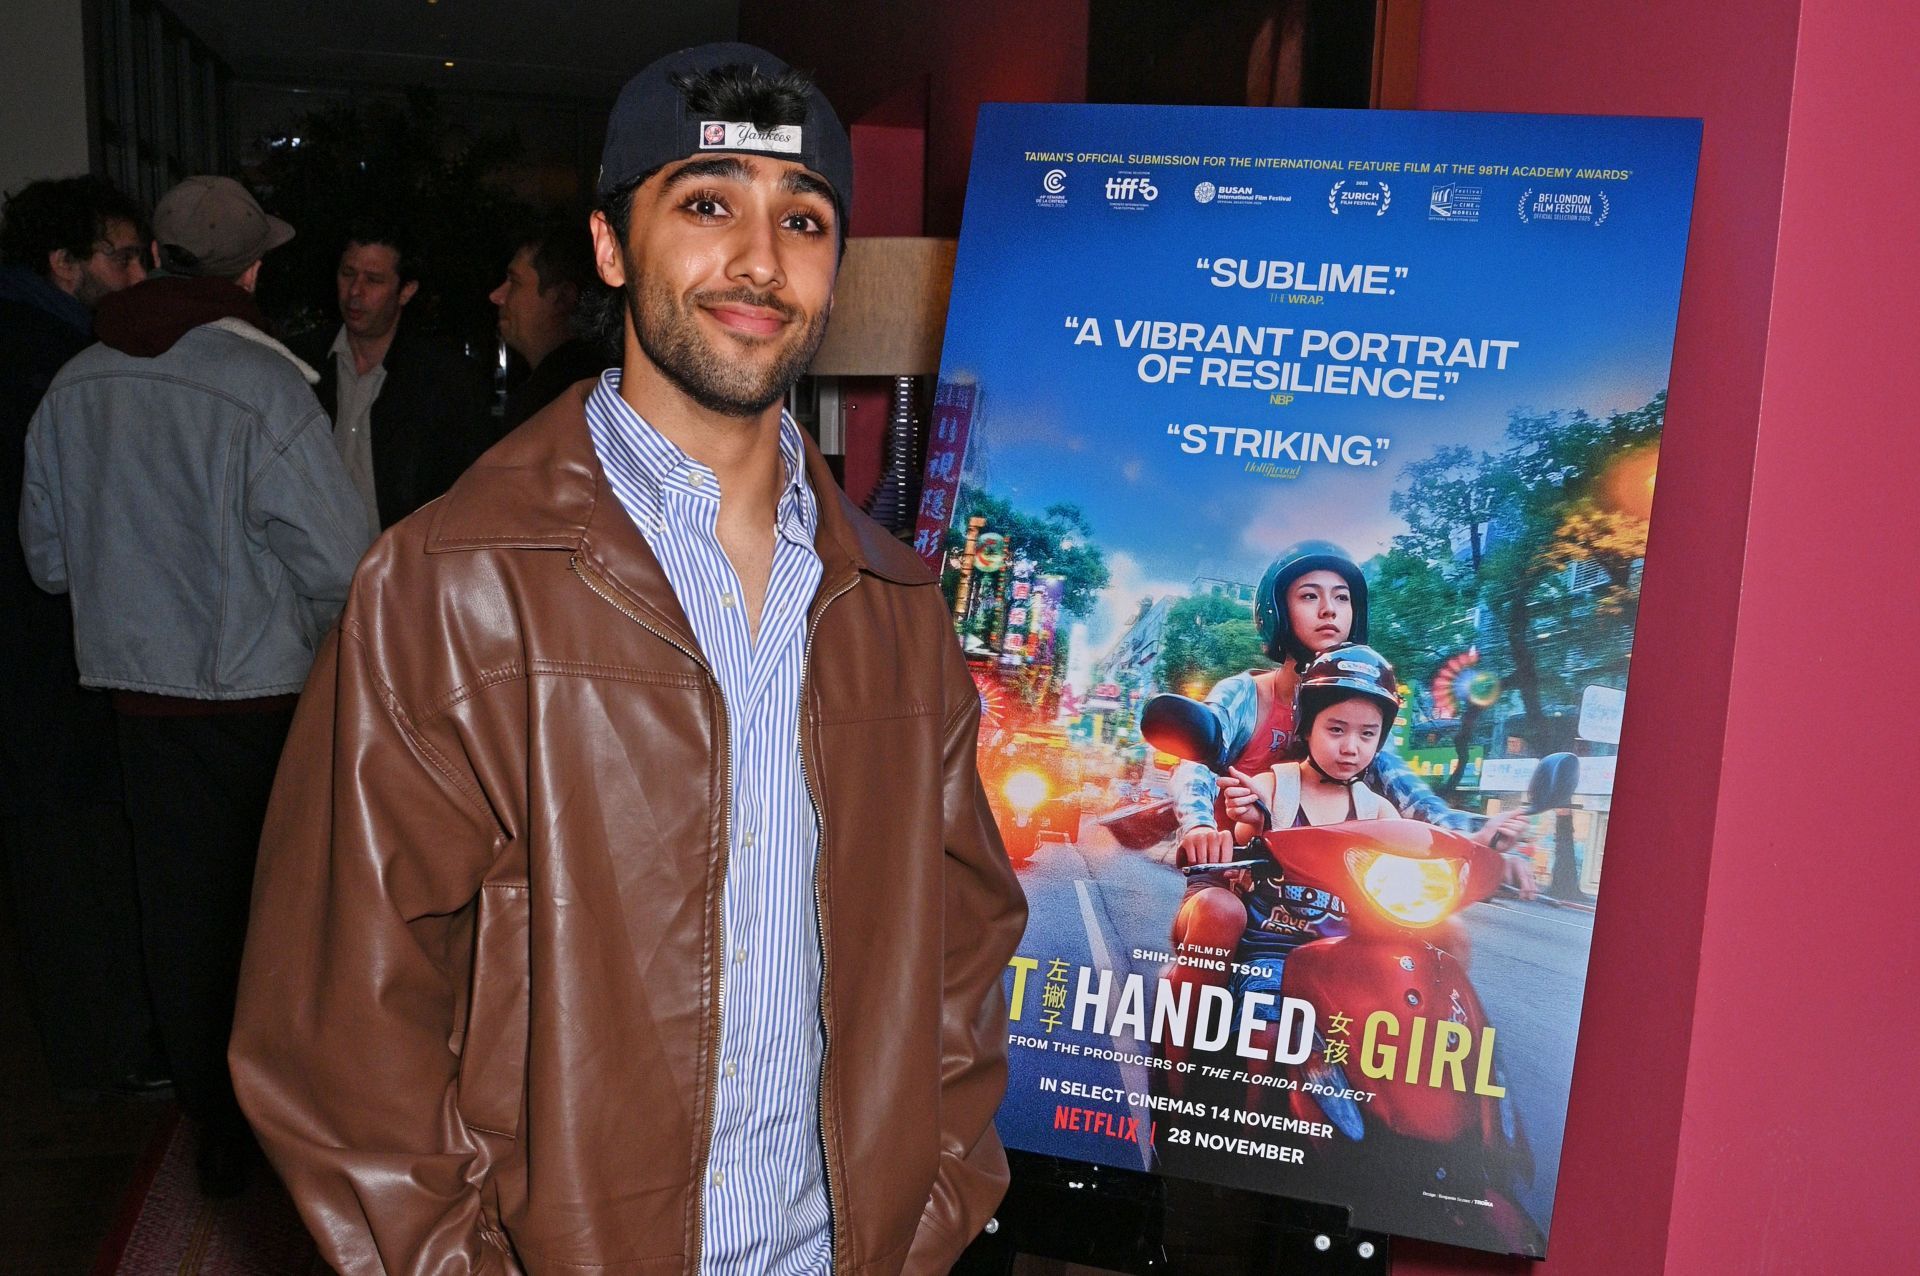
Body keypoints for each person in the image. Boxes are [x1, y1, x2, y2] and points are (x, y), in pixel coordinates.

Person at [232, 43, 1027, 1276]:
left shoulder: (895, 608)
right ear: (610, 246)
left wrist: (926, 1212)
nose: (759, 260)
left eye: (803, 220)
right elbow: (338, 1026)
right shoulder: (449, 587)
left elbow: (964, 942)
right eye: (707, 204)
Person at [19, 174, 371, 1195]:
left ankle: (213, 1123)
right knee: (273, 916)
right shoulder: (265, 385)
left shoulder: (74, 383)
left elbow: (49, 561)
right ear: (250, 271)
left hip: (133, 696)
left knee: (175, 913)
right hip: (255, 695)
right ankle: (277, 1122)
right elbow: (344, 566)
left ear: (157, 258)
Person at [0, 174, 164, 1100]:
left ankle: (95, 1050)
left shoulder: (46, 350)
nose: (137, 275)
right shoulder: (53, 366)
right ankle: (102, 1057)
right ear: (66, 265)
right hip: (43, 657)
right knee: (71, 858)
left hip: (40, 653)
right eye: (122, 257)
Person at [295, 220, 494, 532]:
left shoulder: (443, 380)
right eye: (347, 274)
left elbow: (465, 492)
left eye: (373, 280)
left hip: (400, 556)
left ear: (406, 291)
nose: (355, 292)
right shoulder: (302, 363)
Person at [490, 217, 612, 430]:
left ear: (562, 297)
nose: (496, 296)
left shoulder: (558, 404)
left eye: (515, 282)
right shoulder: (591, 386)